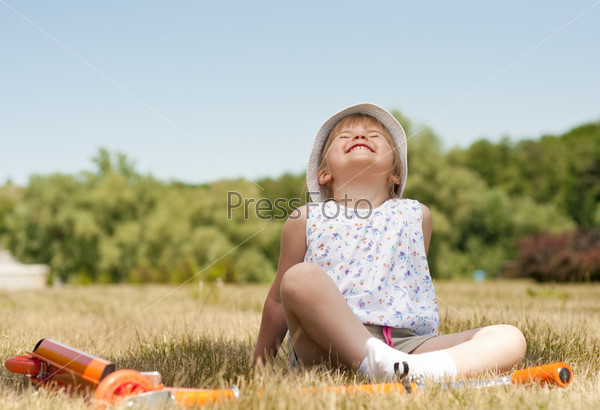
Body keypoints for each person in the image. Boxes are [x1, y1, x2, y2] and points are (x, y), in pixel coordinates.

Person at [253, 103, 526, 381]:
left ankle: (416, 371)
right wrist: (258, 369)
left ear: (395, 173)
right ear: (323, 174)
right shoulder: (307, 218)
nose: (360, 137)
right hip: (326, 346)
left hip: (405, 345)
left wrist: (407, 357)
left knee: (509, 338)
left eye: (374, 135)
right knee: (298, 278)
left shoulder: (416, 216)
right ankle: (377, 363)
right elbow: (278, 301)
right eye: (344, 137)